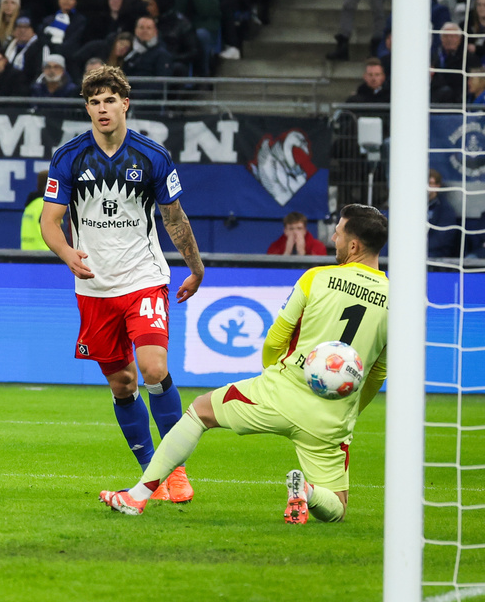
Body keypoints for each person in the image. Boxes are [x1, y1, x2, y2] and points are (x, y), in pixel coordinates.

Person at [101, 204, 389, 524]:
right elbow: (378, 372)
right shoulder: (396, 300)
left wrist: (272, 378)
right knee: (337, 507)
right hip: (331, 416)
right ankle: (306, 491)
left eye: (339, 231)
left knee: (199, 411)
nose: (333, 236)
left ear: (353, 246)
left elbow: (276, 339)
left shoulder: (316, 279)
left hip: (281, 389)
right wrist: (349, 408)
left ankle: (136, 497)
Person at [40, 65, 204, 504]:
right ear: (87, 108)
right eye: (93, 102)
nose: (101, 109)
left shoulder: (152, 156)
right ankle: (153, 473)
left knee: (153, 369)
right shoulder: (69, 156)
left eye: (109, 100)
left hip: (143, 279)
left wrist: (196, 267)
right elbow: (49, 221)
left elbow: (174, 217)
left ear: (125, 103)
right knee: (122, 385)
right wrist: (65, 252)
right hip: (94, 289)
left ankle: (176, 469)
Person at [428, 168, 460, 258]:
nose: (426, 187)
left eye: (430, 183)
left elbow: (442, 239)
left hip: (435, 256)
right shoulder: (409, 207)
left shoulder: (445, 209)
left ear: (437, 186)